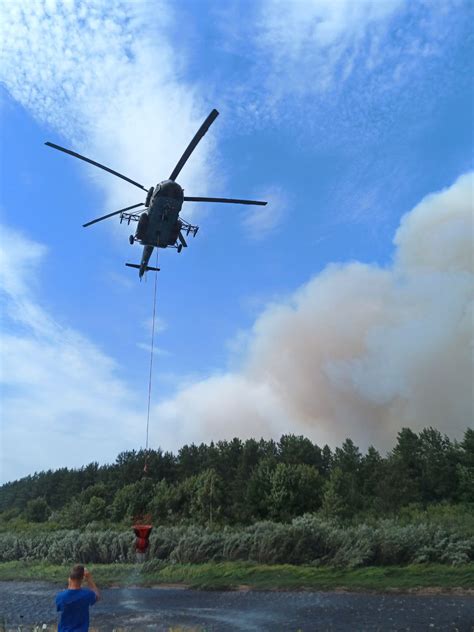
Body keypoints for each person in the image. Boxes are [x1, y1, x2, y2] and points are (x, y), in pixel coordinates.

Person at [55, 564, 100, 631]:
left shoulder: (60, 596)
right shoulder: (87, 595)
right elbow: (98, 596)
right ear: (82, 579)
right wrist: (89, 579)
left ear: (69, 578)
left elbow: (60, 608)